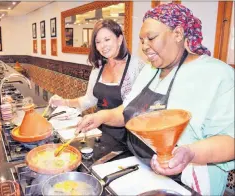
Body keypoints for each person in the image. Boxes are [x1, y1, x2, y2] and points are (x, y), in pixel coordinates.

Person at [77, 3, 234, 195]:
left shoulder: (216, 74)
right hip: (143, 168)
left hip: (188, 180)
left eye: (151, 38)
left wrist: (190, 153)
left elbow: (230, 141)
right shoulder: (150, 70)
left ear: (178, 33)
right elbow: (129, 112)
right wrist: (101, 117)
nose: (144, 47)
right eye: (141, 40)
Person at [49, 19, 145, 142]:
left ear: (120, 39)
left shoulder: (137, 66)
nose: (102, 46)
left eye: (107, 39)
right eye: (98, 42)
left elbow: (134, 109)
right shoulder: (98, 69)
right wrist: (63, 102)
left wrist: (101, 116)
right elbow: (89, 100)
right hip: (100, 131)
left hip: (129, 137)